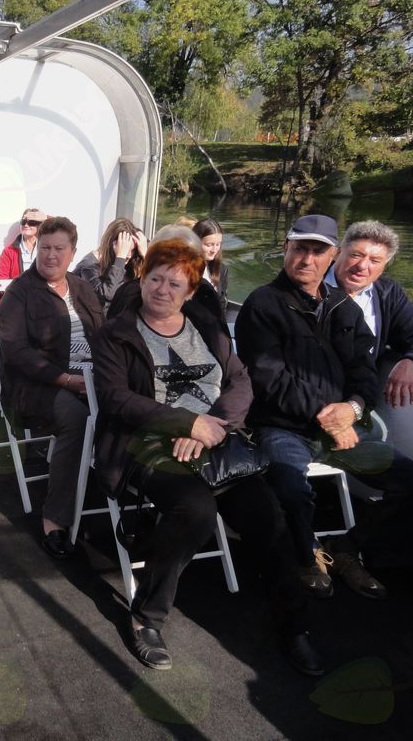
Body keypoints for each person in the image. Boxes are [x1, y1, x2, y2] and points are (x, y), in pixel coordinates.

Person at [92, 238, 319, 675]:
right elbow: (116, 398)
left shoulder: (208, 328)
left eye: (174, 283)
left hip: (213, 442)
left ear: (191, 291)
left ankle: (294, 624)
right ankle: (146, 616)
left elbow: (241, 383)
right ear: (142, 279)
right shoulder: (116, 333)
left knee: (268, 514)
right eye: (155, 279)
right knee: (195, 509)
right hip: (147, 444)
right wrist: (185, 423)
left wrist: (210, 429)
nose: (162, 290)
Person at [235, 214, 413, 600]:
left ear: (332, 256)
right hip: (281, 426)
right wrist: (334, 417)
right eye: (300, 248)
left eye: (318, 251)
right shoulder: (262, 304)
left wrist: (354, 408)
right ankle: (307, 555)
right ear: (286, 248)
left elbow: (363, 371)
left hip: (342, 427)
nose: (307, 259)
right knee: (291, 489)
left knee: (407, 480)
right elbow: (270, 379)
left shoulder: (343, 308)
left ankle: (347, 548)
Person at [0, 216, 104, 558]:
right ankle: (54, 518)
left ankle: (111, 499)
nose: (51, 255)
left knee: (131, 407)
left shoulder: (83, 289)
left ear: (73, 252)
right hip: (39, 386)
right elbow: (15, 352)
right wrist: (67, 380)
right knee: (78, 420)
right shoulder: (19, 293)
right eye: (45, 248)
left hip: (92, 379)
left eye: (59, 248)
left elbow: (104, 336)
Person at [324, 220, 413, 411]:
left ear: (384, 266)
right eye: (356, 255)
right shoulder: (310, 283)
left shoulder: (388, 294)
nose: (363, 266)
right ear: (337, 252)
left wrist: (409, 360)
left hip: (357, 400)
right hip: (307, 394)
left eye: (375, 260)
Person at [72, 217, 148, 311]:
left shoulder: (126, 265)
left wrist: (145, 256)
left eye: (132, 250)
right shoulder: (88, 266)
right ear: (113, 245)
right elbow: (108, 295)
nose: (128, 255)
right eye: (125, 248)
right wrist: (120, 257)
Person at [0, 207, 46, 280]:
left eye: (31, 222)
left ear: (39, 225)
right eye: (23, 221)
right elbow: (0, 279)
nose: (26, 225)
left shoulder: (47, 249)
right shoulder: (9, 252)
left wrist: (44, 218)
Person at [192, 217, 229, 312]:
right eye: (209, 245)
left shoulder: (222, 269)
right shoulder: (183, 269)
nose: (214, 250)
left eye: (218, 244)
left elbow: (222, 302)